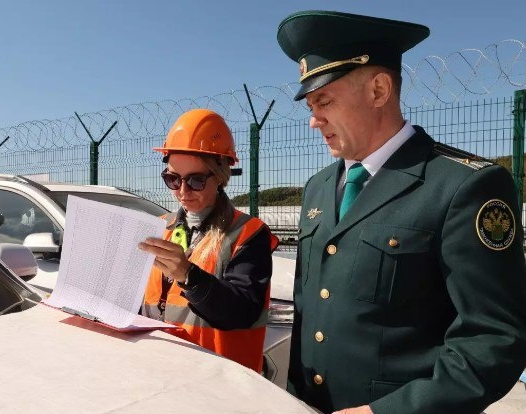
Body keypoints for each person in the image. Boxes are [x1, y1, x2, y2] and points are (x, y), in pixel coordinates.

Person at [276, 10, 526, 414]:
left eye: (324, 101)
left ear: (378, 90)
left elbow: (494, 339)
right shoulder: (318, 188)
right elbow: (310, 313)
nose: (313, 120)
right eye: (310, 105)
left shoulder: (462, 186)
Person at [138, 108, 279, 372]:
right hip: (159, 369)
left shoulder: (248, 233)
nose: (183, 191)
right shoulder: (160, 226)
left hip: (216, 377)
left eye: (196, 181)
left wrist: (189, 275)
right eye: (172, 179)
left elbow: (242, 312)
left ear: (220, 177)